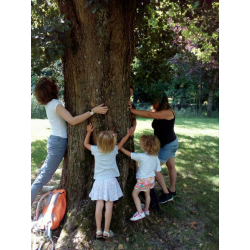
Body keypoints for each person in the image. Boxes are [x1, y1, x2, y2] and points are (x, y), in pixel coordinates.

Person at [31, 77, 108, 206]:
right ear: (50, 89)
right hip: (58, 142)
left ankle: (36, 188)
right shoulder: (55, 103)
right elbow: (72, 121)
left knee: (43, 173)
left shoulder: (51, 103)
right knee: (42, 178)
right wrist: (93, 111)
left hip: (55, 140)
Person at [128, 94, 179, 204]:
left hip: (169, 145)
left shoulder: (168, 112)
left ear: (160, 101)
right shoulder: (159, 111)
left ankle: (166, 194)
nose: (152, 103)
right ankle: (172, 191)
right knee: (171, 166)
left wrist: (132, 110)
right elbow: (151, 113)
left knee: (154, 168)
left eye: (155, 101)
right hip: (167, 144)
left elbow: (148, 114)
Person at [84, 123, 131, 239]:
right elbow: (121, 143)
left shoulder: (95, 149)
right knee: (109, 206)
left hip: (99, 181)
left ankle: (98, 230)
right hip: (111, 181)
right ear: (112, 142)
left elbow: (85, 144)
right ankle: (106, 231)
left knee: (99, 205)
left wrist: (89, 132)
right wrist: (128, 134)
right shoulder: (113, 149)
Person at [120, 135, 161, 221]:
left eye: (141, 144)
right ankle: (146, 209)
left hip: (143, 180)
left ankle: (140, 212)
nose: (140, 145)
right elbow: (158, 170)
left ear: (146, 146)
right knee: (147, 194)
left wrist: (120, 148)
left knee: (134, 194)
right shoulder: (155, 157)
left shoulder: (141, 156)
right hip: (151, 179)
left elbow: (128, 154)